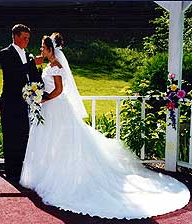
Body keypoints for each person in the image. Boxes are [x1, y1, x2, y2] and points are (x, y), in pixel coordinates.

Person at [20, 33, 190, 219]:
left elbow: (59, 91)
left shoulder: (57, 67)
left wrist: (43, 99)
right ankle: (46, 173)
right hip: (50, 108)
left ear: (50, 50)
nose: (41, 50)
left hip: (56, 107)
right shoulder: (49, 65)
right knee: (50, 141)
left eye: (43, 48)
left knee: (61, 142)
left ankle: (61, 177)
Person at [0, 24, 43, 181]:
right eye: (24, 37)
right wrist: (32, 64)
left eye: (28, 38)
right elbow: (12, 74)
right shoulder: (5, 53)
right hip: (10, 103)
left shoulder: (29, 56)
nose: (27, 41)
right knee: (11, 138)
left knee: (24, 137)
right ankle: (12, 175)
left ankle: (22, 173)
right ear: (15, 36)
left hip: (26, 103)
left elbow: (35, 78)